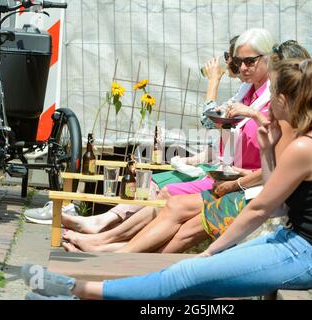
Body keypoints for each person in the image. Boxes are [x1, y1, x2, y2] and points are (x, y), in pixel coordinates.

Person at [23, 57, 312, 300]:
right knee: (189, 273)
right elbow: (279, 201)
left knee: (189, 272)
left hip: (311, 256)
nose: (267, 103)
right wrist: (267, 150)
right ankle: (74, 289)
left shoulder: (304, 146)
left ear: (284, 100)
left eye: (274, 94)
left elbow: (261, 209)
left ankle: (76, 290)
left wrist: (212, 253)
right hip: (299, 245)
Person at [61, 29, 279, 253]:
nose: (241, 68)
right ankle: (108, 239)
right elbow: (223, 137)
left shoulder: (273, 97)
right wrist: (197, 158)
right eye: (236, 62)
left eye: (248, 62)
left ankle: (110, 245)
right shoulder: (247, 92)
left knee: (174, 205)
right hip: (225, 173)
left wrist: (218, 85)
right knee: (163, 191)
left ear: (269, 58)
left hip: (242, 183)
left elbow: (267, 151)